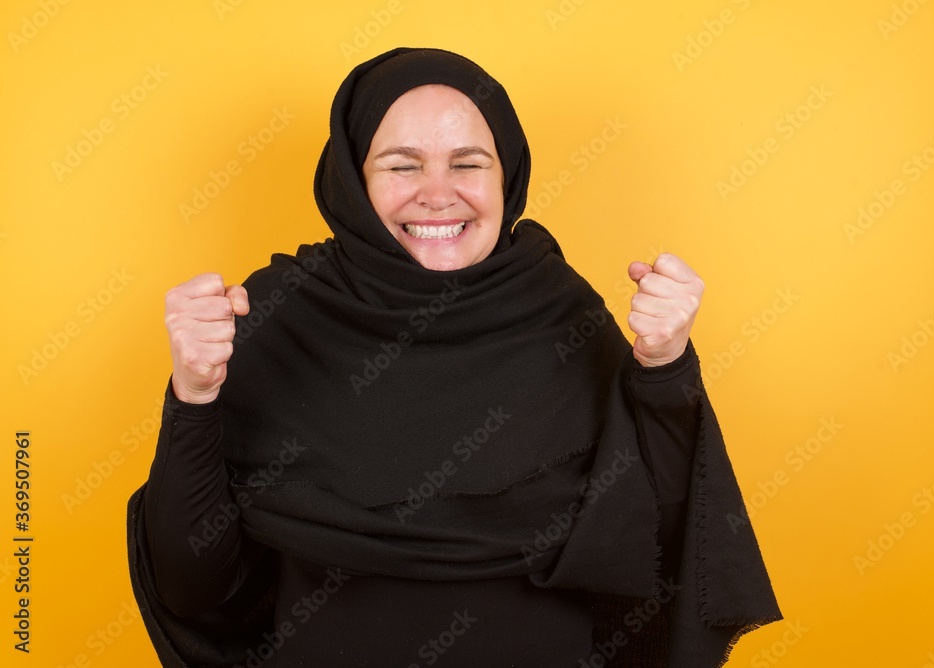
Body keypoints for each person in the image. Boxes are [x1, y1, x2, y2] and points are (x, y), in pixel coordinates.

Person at [127, 47, 780, 667]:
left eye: (468, 163)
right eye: (401, 165)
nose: (437, 194)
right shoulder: (276, 315)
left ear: (506, 176)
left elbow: (657, 546)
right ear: (353, 180)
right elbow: (193, 585)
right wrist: (194, 396)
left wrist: (665, 370)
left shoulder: (562, 314)